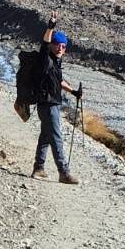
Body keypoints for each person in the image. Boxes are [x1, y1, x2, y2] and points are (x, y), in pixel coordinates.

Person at [33, 13, 81, 185]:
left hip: (50, 103)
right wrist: (51, 26)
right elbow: (45, 43)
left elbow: (59, 81)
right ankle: (63, 172)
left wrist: (73, 91)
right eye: (57, 45)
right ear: (52, 46)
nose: (60, 48)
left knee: (46, 135)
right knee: (56, 137)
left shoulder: (56, 62)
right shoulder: (45, 58)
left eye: (63, 46)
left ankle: (38, 168)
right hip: (47, 104)